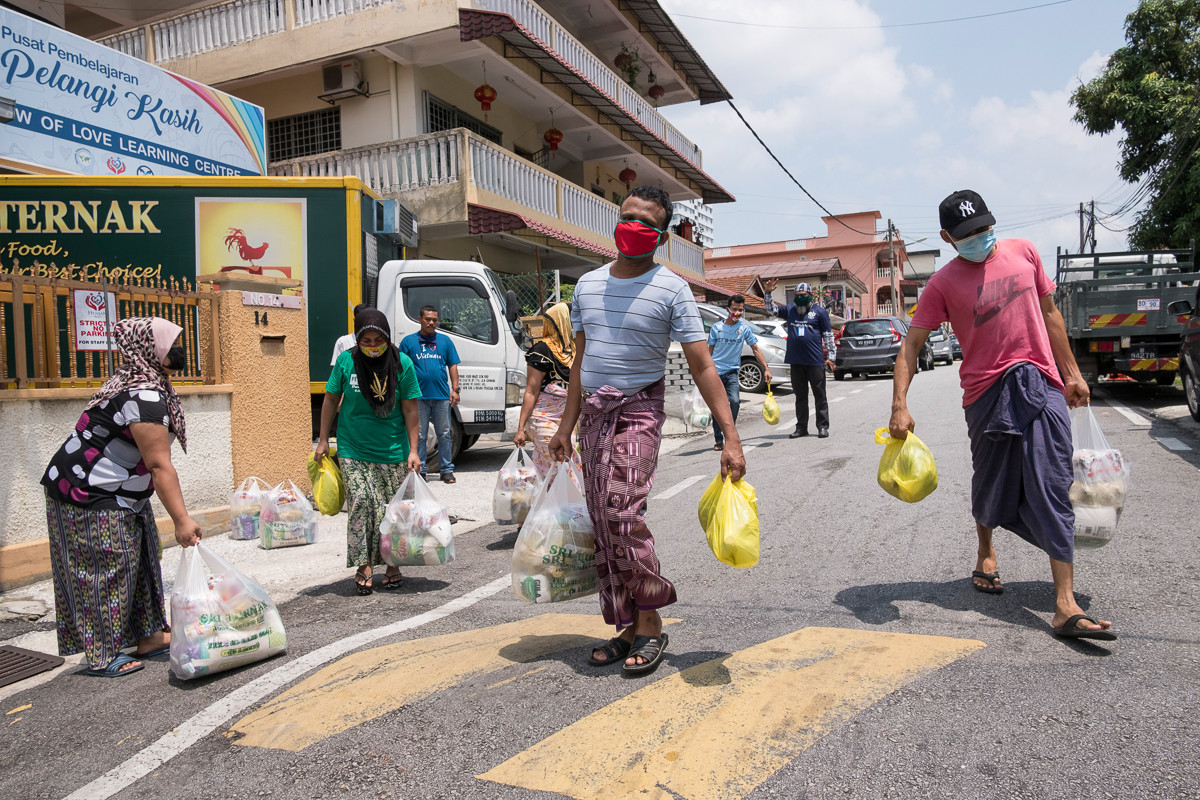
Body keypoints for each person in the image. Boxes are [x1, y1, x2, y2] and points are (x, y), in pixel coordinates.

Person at [889, 189, 1116, 641]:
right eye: (968, 234)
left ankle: (1064, 604)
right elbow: (911, 346)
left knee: (1052, 481)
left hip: (1040, 383)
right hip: (985, 395)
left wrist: (1071, 373)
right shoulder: (941, 284)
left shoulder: (1025, 253)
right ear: (947, 238)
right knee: (990, 479)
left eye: (984, 228)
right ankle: (985, 551)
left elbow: (1050, 315)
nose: (979, 238)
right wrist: (899, 404)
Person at [549, 185, 747, 676]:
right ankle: (625, 625)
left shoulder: (672, 288)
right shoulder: (587, 285)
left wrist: (731, 435)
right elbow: (579, 363)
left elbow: (703, 366)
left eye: (645, 223)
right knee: (601, 519)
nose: (632, 226)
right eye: (627, 216)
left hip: (639, 408)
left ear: (659, 238)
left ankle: (652, 622)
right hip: (593, 415)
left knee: (622, 511)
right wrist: (565, 426)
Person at [41, 317, 201, 678]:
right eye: (169, 345)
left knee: (141, 559)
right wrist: (182, 520)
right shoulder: (141, 394)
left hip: (122, 492)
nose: (178, 352)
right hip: (88, 491)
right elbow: (159, 465)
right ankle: (101, 654)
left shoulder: (142, 382)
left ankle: (148, 635)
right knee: (106, 569)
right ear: (147, 351)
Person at [317, 309, 422, 595]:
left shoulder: (403, 364)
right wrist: (323, 439)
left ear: (388, 339)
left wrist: (414, 450)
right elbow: (330, 400)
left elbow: (411, 409)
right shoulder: (345, 362)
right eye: (367, 340)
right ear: (357, 339)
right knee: (362, 501)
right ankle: (363, 564)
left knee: (393, 510)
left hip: (394, 448)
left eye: (379, 340)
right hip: (353, 446)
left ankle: (391, 562)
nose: (373, 346)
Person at [512, 302, 583, 477]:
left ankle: (548, 502)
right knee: (562, 459)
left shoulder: (573, 349)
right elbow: (531, 391)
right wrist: (521, 428)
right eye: (570, 319)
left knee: (549, 467)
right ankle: (569, 502)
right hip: (543, 417)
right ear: (561, 321)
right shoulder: (542, 349)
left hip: (567, 418)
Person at [764, 281, 835, 438]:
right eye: (796, 296)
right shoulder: (790, 310)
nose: (799, 299)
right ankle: (801, 427)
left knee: (820, 395)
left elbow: (828, 335)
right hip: (796, 362)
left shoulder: (819, 312)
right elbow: (771, 310)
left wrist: (831, 357)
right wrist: (768, 293)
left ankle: (822, 426)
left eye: (802, 296)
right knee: (800, 397)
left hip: (815, 362)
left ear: (810, 296)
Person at [399, 306, 461, 484]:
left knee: (444, 433)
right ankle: (420, 470)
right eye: (427, 319)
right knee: (419, 435)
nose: (431, 322)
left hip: (441, 396)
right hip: (417, 397)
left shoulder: (445, 341)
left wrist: (455, 390)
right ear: (419, 319)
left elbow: (453, 365)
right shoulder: (409, 342)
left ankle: (446, 470)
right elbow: (401, 368)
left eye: (434, 319)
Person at [707, 294, 772, 451]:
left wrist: (766, 368)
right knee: (719, 406)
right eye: (734, 310)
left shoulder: (744, 329)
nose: (737, 313)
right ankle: (718, 439)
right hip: (716, 373)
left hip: (732, 372)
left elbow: (755, 349)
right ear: (728, 309)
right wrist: (706, 372)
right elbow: (709, 351)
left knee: (735, 401)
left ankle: (729, 432)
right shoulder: (717, 328)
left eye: (740, 311)